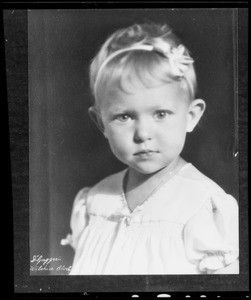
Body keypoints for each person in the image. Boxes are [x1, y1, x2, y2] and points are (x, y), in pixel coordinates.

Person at [61, 23, 239, 275]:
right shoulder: (94, 202)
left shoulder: (203, 206)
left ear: (191, 115)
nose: (143, 134)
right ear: (101, 122)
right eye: (124, 117)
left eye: (161, 114)